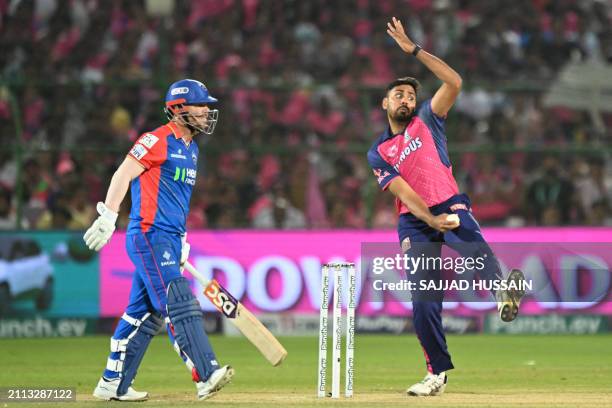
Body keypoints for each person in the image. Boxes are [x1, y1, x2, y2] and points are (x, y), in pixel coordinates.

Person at [367, 18, 525, 397]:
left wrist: (415, 51)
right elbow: (403, 193)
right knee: (423, 304)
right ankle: (436, 373)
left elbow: (454, 82)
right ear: (385, 103)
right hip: (415, 221)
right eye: (398, 95)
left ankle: (502, 292)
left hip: (448, 202)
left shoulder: (428, 118)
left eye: (409, 94)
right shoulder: (378, 151)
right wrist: (430, 219)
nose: (405, 99)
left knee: (472, 242)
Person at [83, 79, 233, 401]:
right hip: (149, 235)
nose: (208, 111)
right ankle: (205, 373)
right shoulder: (155, 139)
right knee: (176, 298)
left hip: (169, 239)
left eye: (209, 106)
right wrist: (109, 216)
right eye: (201, 105)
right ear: (178, 108)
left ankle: (113, 382)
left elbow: (176, 200)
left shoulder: (191, 149)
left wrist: (182, 239)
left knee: (144, 312)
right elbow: (123, 173)